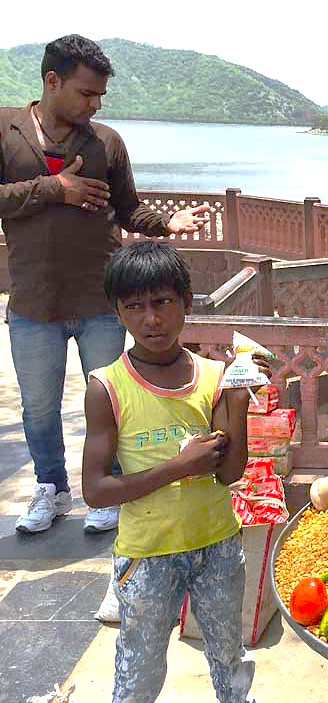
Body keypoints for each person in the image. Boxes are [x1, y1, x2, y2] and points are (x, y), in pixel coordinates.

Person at [1, 35, 210, 534]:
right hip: (32, 301)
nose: (94, 104)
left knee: (111, 402)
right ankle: (51, 489)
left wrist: (168, 224)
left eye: (100, 97)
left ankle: (107, 488)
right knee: (39, 407)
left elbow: (128, 208)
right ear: (52, 81)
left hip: (100, 301)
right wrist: (57, 188)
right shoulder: (5, 130)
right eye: (86, 93)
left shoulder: (106, 142)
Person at [82, 240, 264, 703]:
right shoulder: (107, 387)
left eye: (162, 302)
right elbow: (96, 490)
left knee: (229, 659)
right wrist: (178, 469)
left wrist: (239, 405)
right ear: (118, 312)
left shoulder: (213, 376)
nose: (152, 320)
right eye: (135, 306)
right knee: (139, 674)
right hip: (146, 556)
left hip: (218, 548)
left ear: (185, 302)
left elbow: (228, 472)